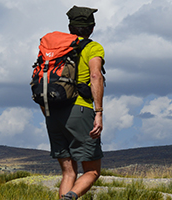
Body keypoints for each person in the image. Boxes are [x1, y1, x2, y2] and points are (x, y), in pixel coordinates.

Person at [43, 6, 105, 200]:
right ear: (92, 28)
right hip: (80, 110)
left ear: (70, 27)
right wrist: (99, 112)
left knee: (68, 172)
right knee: (92, 171)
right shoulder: (93, 47)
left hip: (53, 111)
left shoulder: (57, 49)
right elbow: (95, 75)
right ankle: (71, 197)